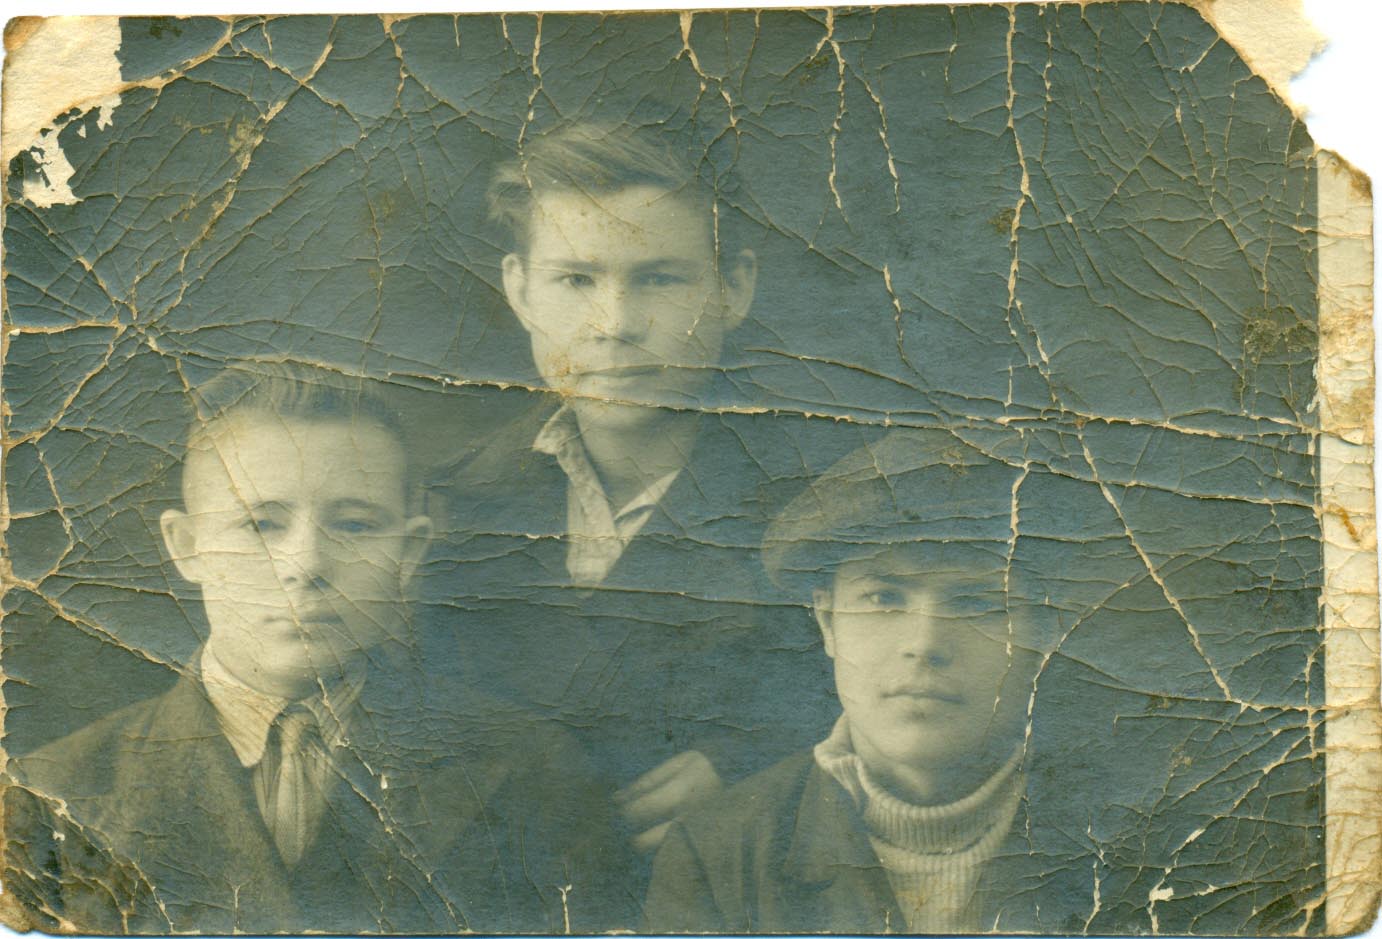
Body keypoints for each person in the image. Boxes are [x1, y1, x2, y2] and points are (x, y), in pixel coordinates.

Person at [4, 361, 625, 934]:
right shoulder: (51, 793)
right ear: (187, 546)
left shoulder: (535, 770)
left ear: (408, 551)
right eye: (260, 524)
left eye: (354, 524)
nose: (305, 565)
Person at [429, 123, 876, 871]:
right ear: (520, 289)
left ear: (733, 287)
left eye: (660, 279)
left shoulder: (834, 499)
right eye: (576, 280)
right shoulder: (450, 499)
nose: (616, 326)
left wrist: (755, 764)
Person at [642, 427, 1047, 933]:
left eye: (977, 603)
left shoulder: (1128, 840)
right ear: (828, 621)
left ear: (1044, 632)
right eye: (884, 598)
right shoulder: (718, 853)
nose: (923, 643)